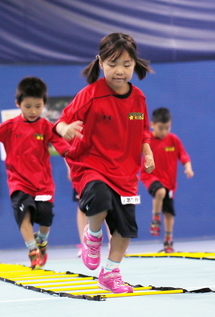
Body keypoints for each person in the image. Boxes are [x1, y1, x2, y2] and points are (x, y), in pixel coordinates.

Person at [54, 33, 155, 293]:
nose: (119, 71)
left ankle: (110, 272)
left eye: (126, 64)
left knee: (126, 229)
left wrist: (148, 152)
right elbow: (61, 121)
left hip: (125, 172)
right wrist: (65, 129)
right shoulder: (90, 94)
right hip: (91, 164)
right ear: (100, 63)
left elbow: (143, 130)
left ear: (135, 63)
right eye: (112, 64)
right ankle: (93, 234)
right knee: (99, 198)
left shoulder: (138, 98)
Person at [0, 77, 71, 269]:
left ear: (44, 104)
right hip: (19, 182)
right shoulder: (10, 126)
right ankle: (33, 250)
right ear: (18, 104)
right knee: (24, 215)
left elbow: (64, 148)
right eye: (28, 106)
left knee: (46, 217)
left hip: (43, 184)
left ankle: (42, 241)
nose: (33, 111)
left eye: (38, 106)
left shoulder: (47, 127)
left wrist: (71, 167)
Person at [140, 107, 194, 253]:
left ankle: (168, 243)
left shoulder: (173, 140)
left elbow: (184, 157)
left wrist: (188, 168)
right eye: (160, 128)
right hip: (149, 176)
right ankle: (155, 218)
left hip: (169, 183)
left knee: (169, 213)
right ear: (152, 125)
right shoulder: (147, 140)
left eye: (167, 128)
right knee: (160, 192)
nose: (164, 131)